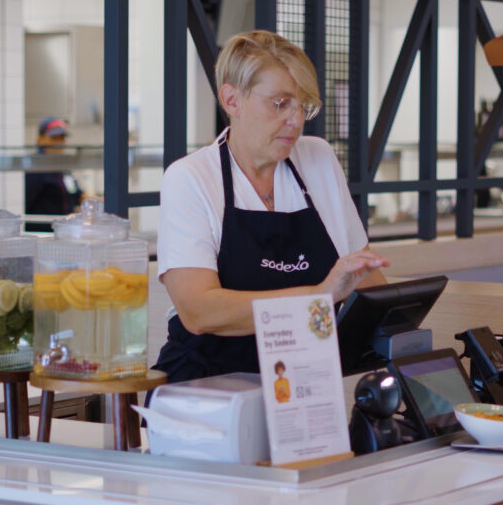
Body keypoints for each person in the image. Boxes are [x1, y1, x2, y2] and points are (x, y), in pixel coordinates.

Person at [154, 30, 389, 383]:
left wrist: (402, 333)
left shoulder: (318, 159)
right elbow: (199, 312)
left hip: (298, 389)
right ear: (232, 100)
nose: (296, 120)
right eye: (280, 103)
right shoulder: (191, 178)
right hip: (207, 393)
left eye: (302, 105)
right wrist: (319, 297)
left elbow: (365, 278)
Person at [24, 117, 83, 232]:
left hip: (64, 231)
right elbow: (26, 202)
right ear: (40, 139)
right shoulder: (35, 167)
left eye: (61, 138)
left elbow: (76, 195)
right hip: (42, 233)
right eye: (54, 138)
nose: (59, 143)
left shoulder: (62, 167)